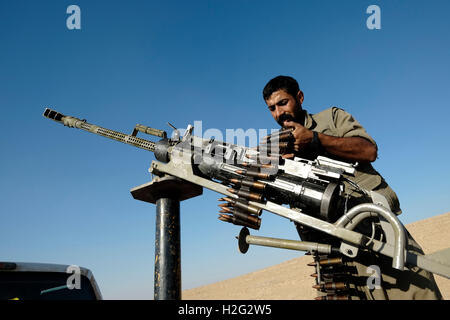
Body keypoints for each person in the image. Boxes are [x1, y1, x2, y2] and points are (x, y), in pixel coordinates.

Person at [262, 75, 442, 300]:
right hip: (334, 250)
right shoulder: (273, 147)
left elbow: (369, 151)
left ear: (299, 97)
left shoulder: (331, 118)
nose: (279, 113)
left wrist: (315, 140)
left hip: (377, 229)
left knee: (417, 291)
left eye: (283, 103)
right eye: (271, 108)